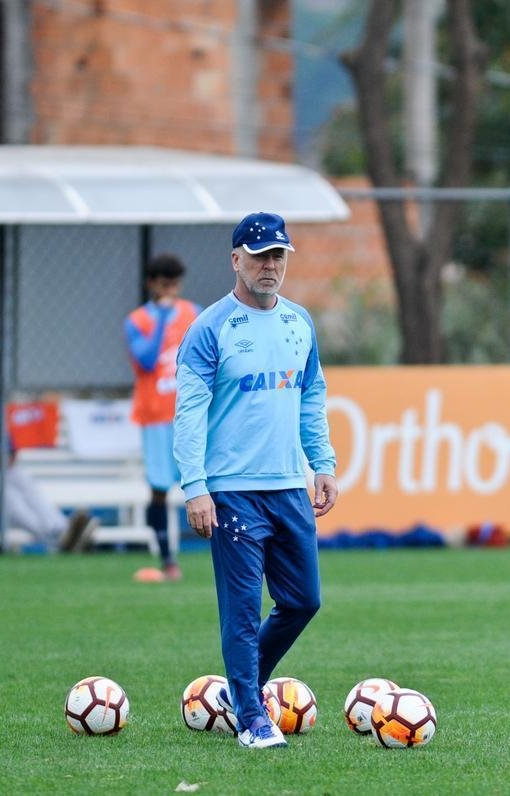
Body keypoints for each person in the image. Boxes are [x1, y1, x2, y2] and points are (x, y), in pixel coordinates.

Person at [173, 211, 338, 750]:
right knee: (242, 609)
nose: (271, 265)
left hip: (289, 486)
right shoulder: (209, 329)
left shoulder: (299, 324)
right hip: (232, 490)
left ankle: (239, 690)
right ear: (235, 260)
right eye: (260, 255)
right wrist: (196, 486)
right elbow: (189, 413)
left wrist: (323, 464)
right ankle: (250, 717)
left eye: (279, 256)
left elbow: (311, 396)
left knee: (303, 601)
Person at [124, 254, 200, 581]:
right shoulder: (138, 320)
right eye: (164, 283)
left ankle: (233, 553)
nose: (171, 290)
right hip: (156, 416)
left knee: (209, 483)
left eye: (175, 284)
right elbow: (145, 361)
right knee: (159, 487)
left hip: (192, 415)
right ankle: (168, 560)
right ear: (151, 284)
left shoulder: (193, 313)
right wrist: (162, 321)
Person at [0, 350, 95, 552]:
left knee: (20, 478)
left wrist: (8, 452)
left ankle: (62, 529)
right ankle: (54, 537)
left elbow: (1, 431)